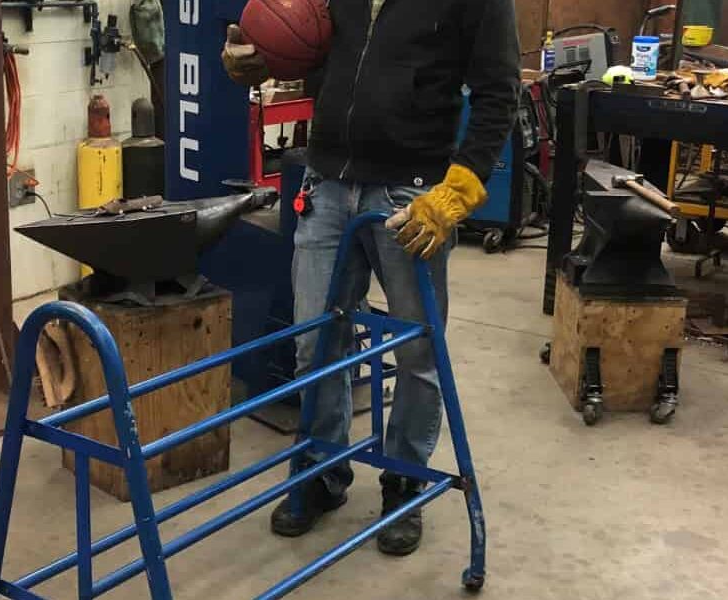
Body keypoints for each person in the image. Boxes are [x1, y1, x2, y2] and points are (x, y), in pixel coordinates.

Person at [223, 0, 520, 556]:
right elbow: (319, 52)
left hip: (413, 193)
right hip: (327, 182)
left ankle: (404, 482)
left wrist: (457, 191)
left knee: (418, 353)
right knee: (314, 340)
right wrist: (262, 59)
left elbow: (499, 92)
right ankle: (322, 472)